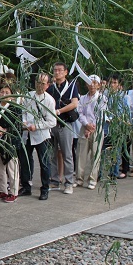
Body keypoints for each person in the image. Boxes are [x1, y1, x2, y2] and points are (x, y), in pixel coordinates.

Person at [19, 72, 57, 200]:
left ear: (47, 85)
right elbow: (23, 112)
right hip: (27, 133)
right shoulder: (29, 96)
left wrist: (37, 125)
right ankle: (26, 185)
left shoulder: (49, 100)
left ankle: (45, 188)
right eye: (37, 82)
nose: (39, 85)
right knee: (25, 160)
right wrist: (24, 122)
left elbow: (52, 121)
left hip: (42, 135)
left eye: (42, 83)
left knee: (44, 162)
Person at [46, 62, 80, 194]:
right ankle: (54, 180)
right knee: (52, 154)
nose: (57, 72)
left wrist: (59, 111)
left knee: (67, 154)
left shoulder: (71, 87)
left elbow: (74, 103)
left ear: (66, 72)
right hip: (52, 125)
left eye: (60, 70)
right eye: (55, 70)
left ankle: (69, 182)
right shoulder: (51, 88)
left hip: (65, 123)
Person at [0, 82, 23, 202]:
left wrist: (4, 130)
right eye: (2, 92)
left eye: (7, 92)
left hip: (10, 142)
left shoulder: (15, 109)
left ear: (12, 95)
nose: (4, 94)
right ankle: (3, 190)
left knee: (12, 168)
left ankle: (14, 192)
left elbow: (18, 127)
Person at [75, 75, 105, 190]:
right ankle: (79, 178)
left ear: (98, 85)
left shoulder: (102, 98)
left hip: (97, 128)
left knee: (95, 154)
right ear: (86, 84)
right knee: (81, 153)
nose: (92, 85)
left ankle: (93, 179)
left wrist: (91, 127)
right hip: (84, 126)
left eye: (94, 83)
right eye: (90, 82)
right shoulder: (82, 98)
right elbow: (80, 112)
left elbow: (100, 114)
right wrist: (86, 125)